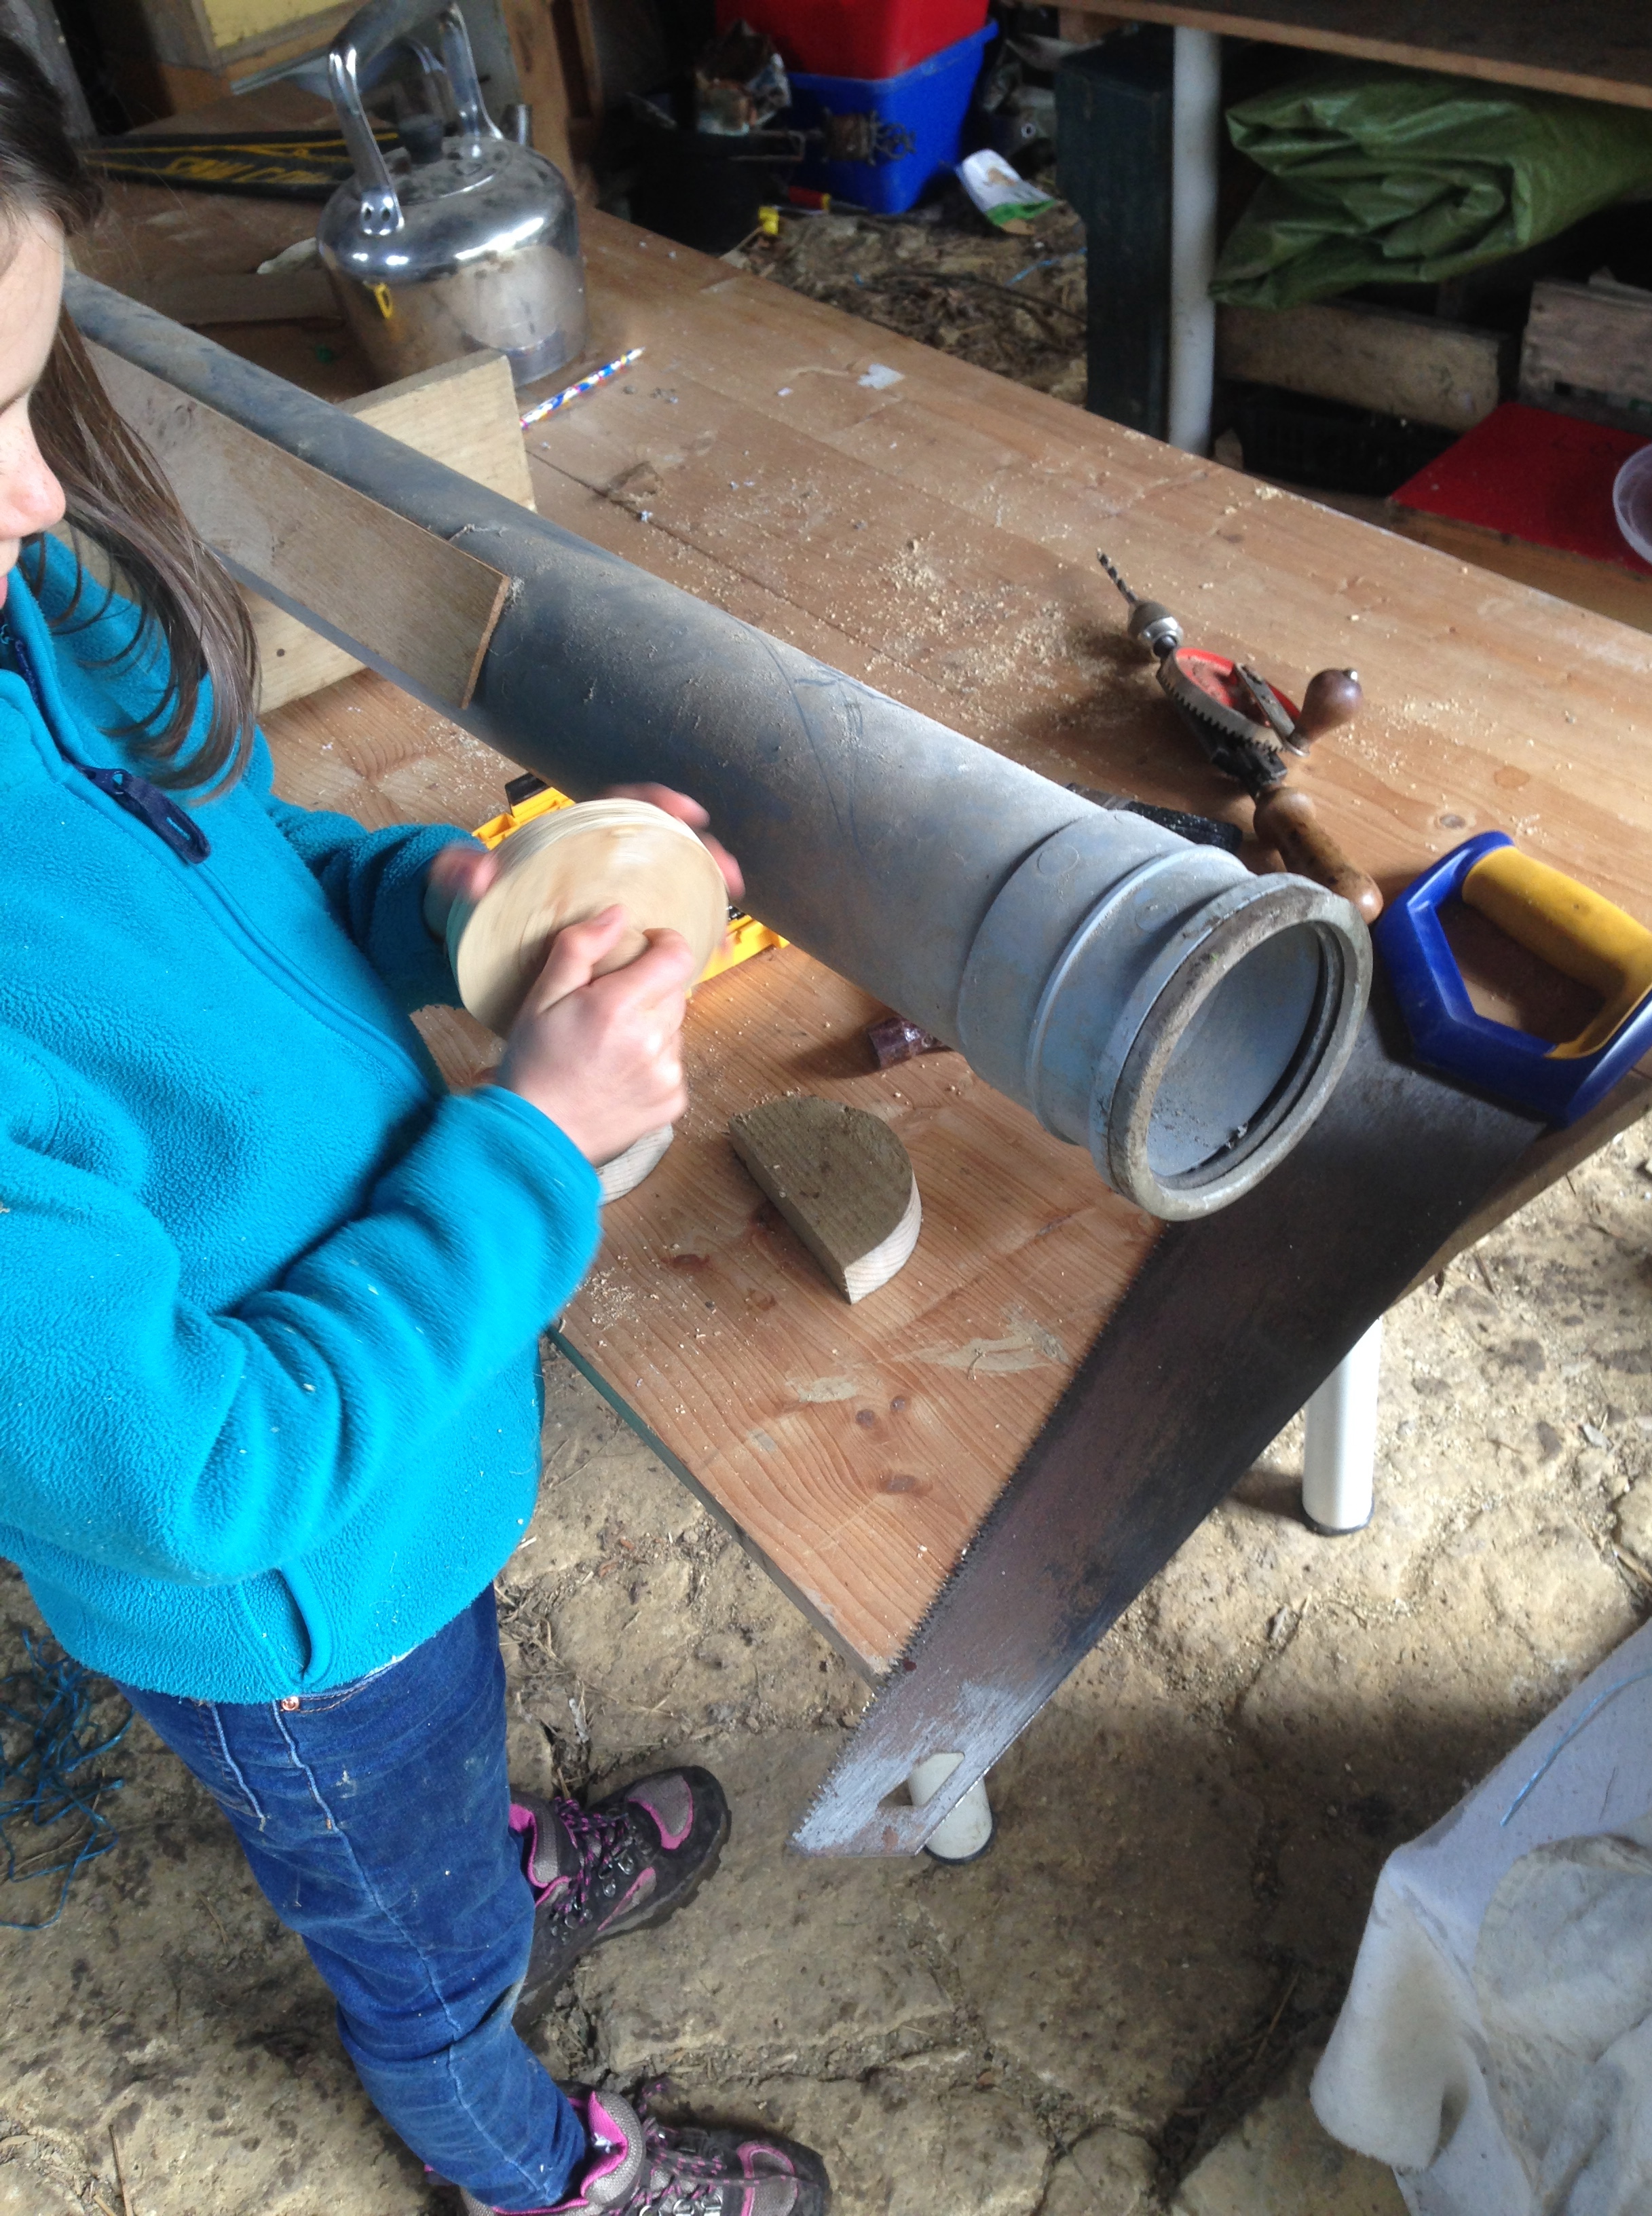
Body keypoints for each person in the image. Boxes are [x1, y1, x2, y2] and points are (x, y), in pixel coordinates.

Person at [0, 39, 828, 2216]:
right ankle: (524, 2152)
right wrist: (531, 1150)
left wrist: (455, 910)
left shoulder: (27, 620)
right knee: (408, 1924)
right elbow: (193, 1475)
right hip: (284, 1592)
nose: (29, 501)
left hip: (395, 1466)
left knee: (436, 1730)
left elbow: (227, 856)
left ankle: (472, 1833)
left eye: (16, 393)